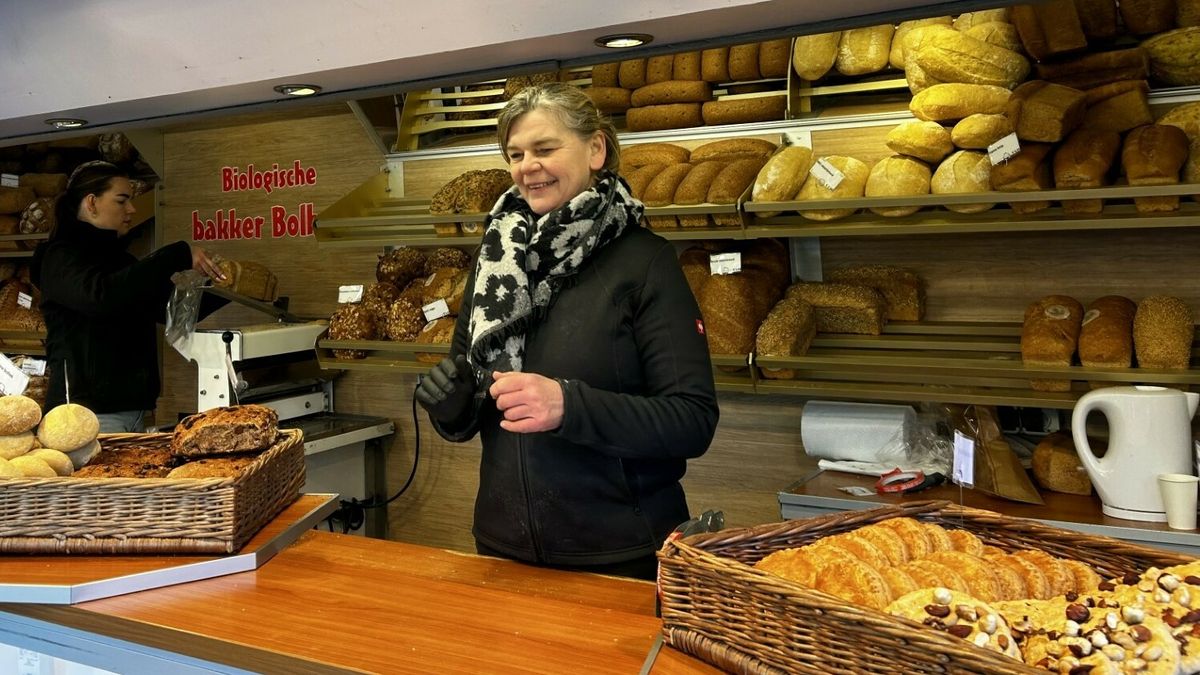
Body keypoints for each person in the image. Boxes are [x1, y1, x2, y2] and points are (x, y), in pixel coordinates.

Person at [415, 83, 719, 580]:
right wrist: (451, 405)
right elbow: (476, 409)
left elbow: (691, 420)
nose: (527, 167)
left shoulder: (645, 262)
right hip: (501, 547)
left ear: (595, 149)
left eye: (544, 148)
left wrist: (569, 406)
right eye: (515, 155)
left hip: (619, 557)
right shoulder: (496, 260)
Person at [30, 161, 226, 432]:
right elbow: (102, 297)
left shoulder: (122, 261)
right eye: (122, 200)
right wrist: (177, 254)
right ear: (92, 203)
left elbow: (169, 310)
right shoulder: (60, 257)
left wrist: (230, 289)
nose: (131, 209)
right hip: (84, 414)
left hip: (136, 412)